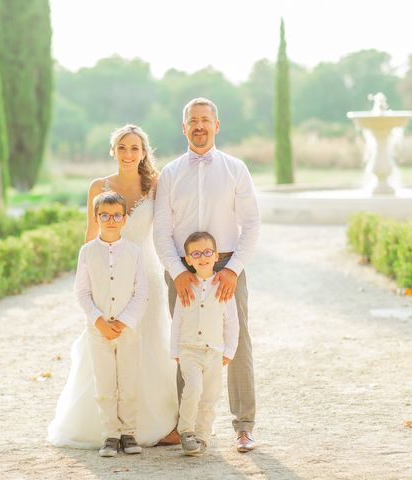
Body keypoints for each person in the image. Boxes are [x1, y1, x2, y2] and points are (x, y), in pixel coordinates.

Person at [47, 125, 178, 448]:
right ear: (113, 151)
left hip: (144, 274)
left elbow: (167, 230)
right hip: (105, 276)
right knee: (104, 345)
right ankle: (104, 427)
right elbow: (90, 236)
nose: (128, 154)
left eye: (135, 148)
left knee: (148, 347)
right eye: (122, 147)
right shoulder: (99, 186)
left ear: (144, 152)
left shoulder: (156, 184)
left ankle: (148, 424)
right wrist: (88, 286)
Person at [154, 97, 261, 452]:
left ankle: (243, 425)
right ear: (184, 128)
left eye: (205, 119)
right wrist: (176, 271)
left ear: (217, 125)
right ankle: (187, 428)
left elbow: (252, 224)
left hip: (226, 268)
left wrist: (232, 270)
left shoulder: (235, 169)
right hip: (183, 270)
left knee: (237, 341)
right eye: (192, 121)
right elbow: (162, 230)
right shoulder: (169, 173)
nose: (199, 126)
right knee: (187, 344)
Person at [74, 191, 146, 457]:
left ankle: (129, 432)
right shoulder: (88, 252)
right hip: (98, 330)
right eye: (105, 215)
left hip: (129, 331)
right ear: (96, 218)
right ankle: (110, 435)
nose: (111, 220)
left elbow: (141, 292)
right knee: (104, 383)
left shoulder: (134, 252)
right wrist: (98, 321)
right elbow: (81, 292)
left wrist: (125, 321)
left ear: (125, 219)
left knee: (128, 381)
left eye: (117, 215)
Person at [171, 231, 239, 456]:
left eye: (207, 252)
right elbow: (177, 321)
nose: (203, 257)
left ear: (216, 255)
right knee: (193, 389)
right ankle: (187, 430)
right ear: (188, 259)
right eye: (196, 253)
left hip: (215, 352)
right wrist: (175, 351)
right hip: (189, 350)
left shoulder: (223, 287)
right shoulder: (185, 287)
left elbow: (231, 322)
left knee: (210, 396)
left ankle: (203, 434)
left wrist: (229, 350)